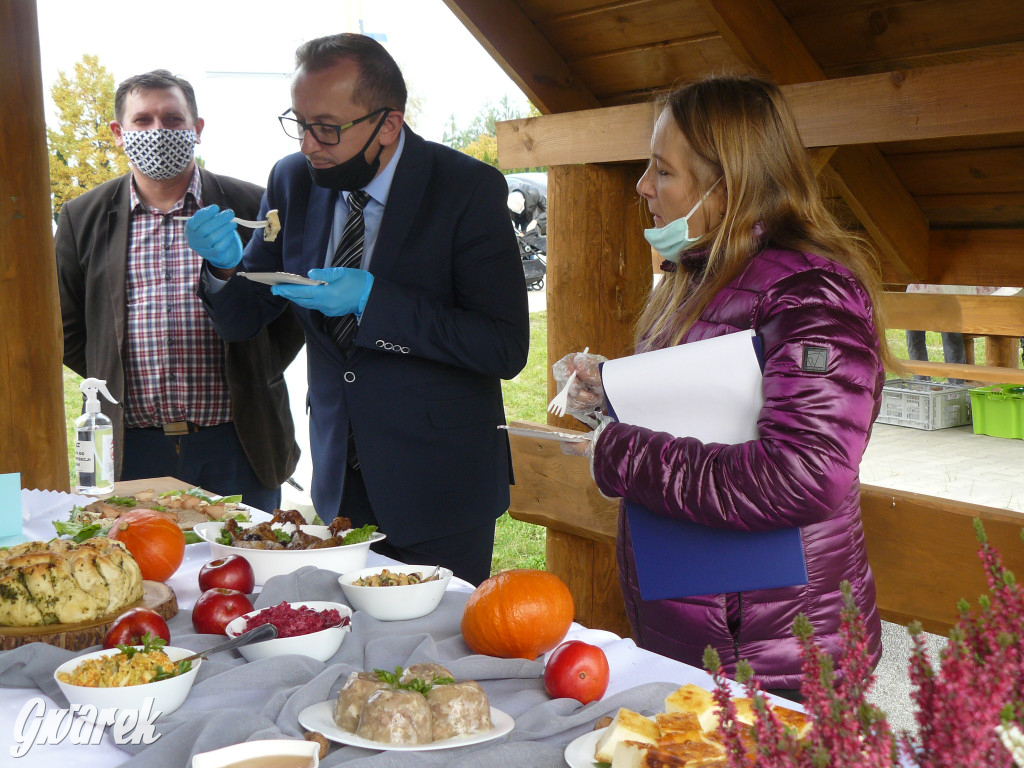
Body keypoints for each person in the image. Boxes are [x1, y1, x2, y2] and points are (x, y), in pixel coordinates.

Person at [557, 74, 889, 696]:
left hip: (779, 655)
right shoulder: (700, 274)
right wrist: (611, 394)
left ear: (726, 184)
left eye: (662, 171)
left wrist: (619, 451)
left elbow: (805, 474)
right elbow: (700, 409)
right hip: (704, 630)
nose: (642, 186)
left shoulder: (812, 296)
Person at [186, 34, 529, 585]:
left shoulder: (466, 187)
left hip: (440, 486)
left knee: (434, 661)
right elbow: (242, 318)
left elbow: (505, 347)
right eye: (298, 123)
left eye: (326, 127)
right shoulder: (293, 180)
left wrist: (375, 302)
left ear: (388, 125)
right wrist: (225, 269)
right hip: (339, 484)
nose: (308, 144)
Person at [56, 70, 304, 513]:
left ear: (197, 129)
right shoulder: (82, 217)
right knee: (142, 576)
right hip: (133, 448)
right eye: (143, 120)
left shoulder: (253, 205)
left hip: (239, 442)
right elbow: (68, 328)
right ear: (118, 133)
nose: (158, 131)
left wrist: (256, 369)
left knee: (249, 571)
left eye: (172, 119)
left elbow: (287, 317)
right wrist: (112, 370)